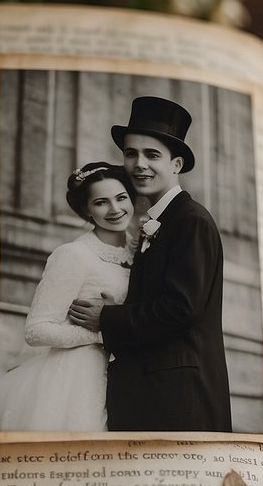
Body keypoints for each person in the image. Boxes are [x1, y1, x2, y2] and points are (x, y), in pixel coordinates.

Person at [68, 96, 233, 432]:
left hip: (178, 397)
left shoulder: (190, 220)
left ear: (176, 165)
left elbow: (181, 307)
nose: (139, 164)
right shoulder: (158, 220)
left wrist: (107, 317)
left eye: (152, 155)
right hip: (152, 391)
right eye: (131, 154)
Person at [0, 163, 134, 432]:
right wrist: (101, 334)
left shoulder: (141, 252)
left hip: (129, 376)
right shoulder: (73, 255)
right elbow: (36, 331)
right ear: (86, 210)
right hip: (78, 379)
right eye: (101, 202)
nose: (115, 209)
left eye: (121, 198)